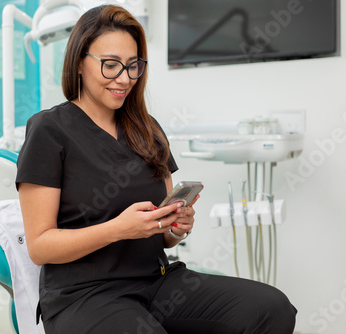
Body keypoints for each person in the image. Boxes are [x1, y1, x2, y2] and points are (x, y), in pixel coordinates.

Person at [16, 4, 297, 334]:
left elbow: (163, 237)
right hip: (84, 295)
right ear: (79, 62)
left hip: (157, 283)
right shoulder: (49, 130)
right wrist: (118, 229)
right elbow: (39, 246)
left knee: (271, 309)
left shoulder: (146, 130)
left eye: (133, 66)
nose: (124, 79)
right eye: (110, 66)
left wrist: (174, 227)